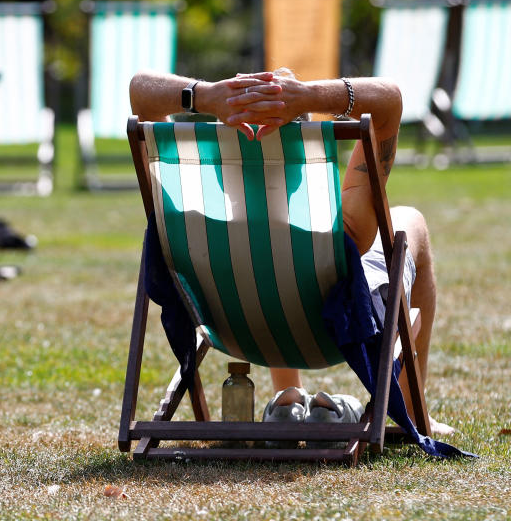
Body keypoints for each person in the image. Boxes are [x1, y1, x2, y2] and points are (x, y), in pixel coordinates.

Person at [130, 69, 455, 436]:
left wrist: (207, 97)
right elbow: (389, 98)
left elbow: (140, 89)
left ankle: (287, 394)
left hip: (237, 335)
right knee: (409, 221)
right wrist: (310, 95)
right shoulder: (345, 223)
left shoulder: (187, 218)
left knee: (265, 264)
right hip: (332, 336)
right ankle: (415, 411)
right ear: (302, 164)